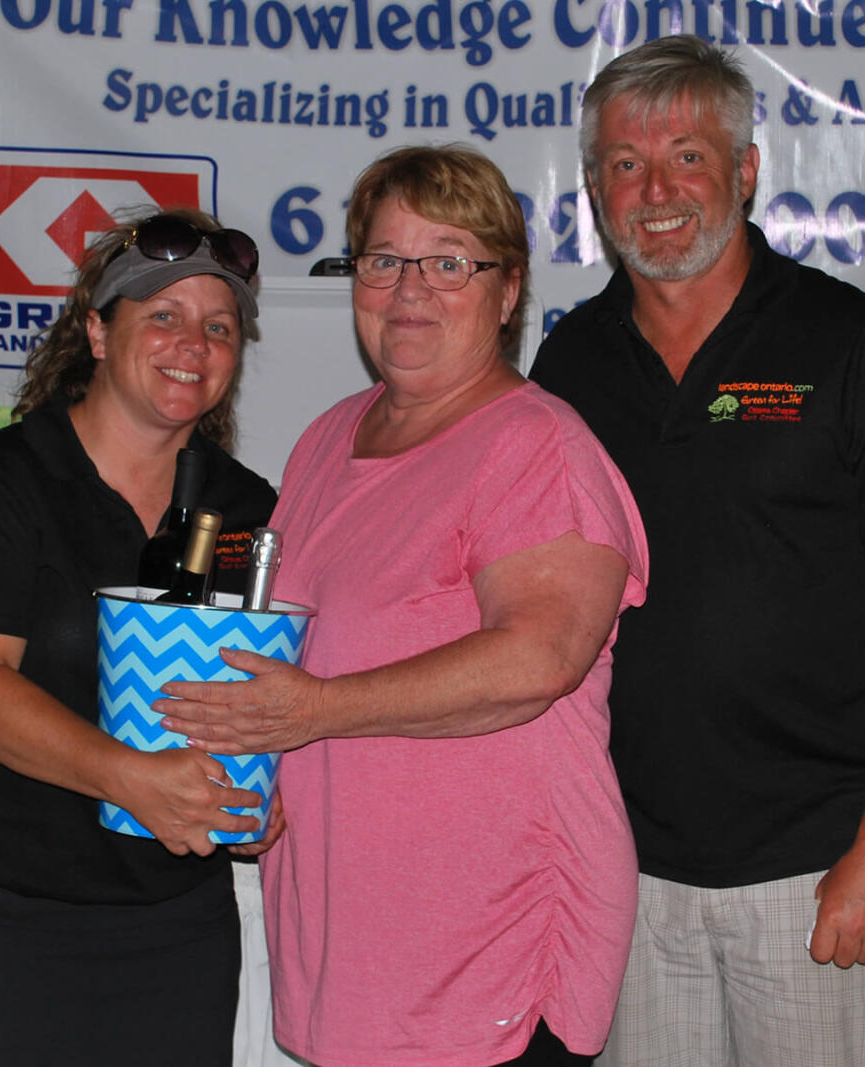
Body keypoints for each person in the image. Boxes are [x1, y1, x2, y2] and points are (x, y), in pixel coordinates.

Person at [528, 36, 865, 1067]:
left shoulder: (856, 343)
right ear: (594, 189)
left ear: (744, 170)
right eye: (624, 165)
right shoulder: (568, 363)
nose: (655, 190)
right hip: (622, 873)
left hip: (814, 872)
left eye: (686, 155)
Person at [158, 145, 650, 1066]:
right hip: (354, 953)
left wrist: (313, 712)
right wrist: (259, 789)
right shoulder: (327, 439)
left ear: (508, 294)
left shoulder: (536, 446)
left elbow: (538, 660)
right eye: (383, 259)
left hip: (486, 957)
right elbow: (304, 655)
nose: (408, 288)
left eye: (449, 260)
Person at [0, 208, 278, 1065]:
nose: (194, 342)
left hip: (176, 927)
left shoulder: (248, 509)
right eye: (163, 316)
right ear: (99, 332)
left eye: (219, 326)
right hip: (1, 917)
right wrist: (133, 779)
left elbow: (264, 691)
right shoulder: (1, 481)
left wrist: (264, 794)